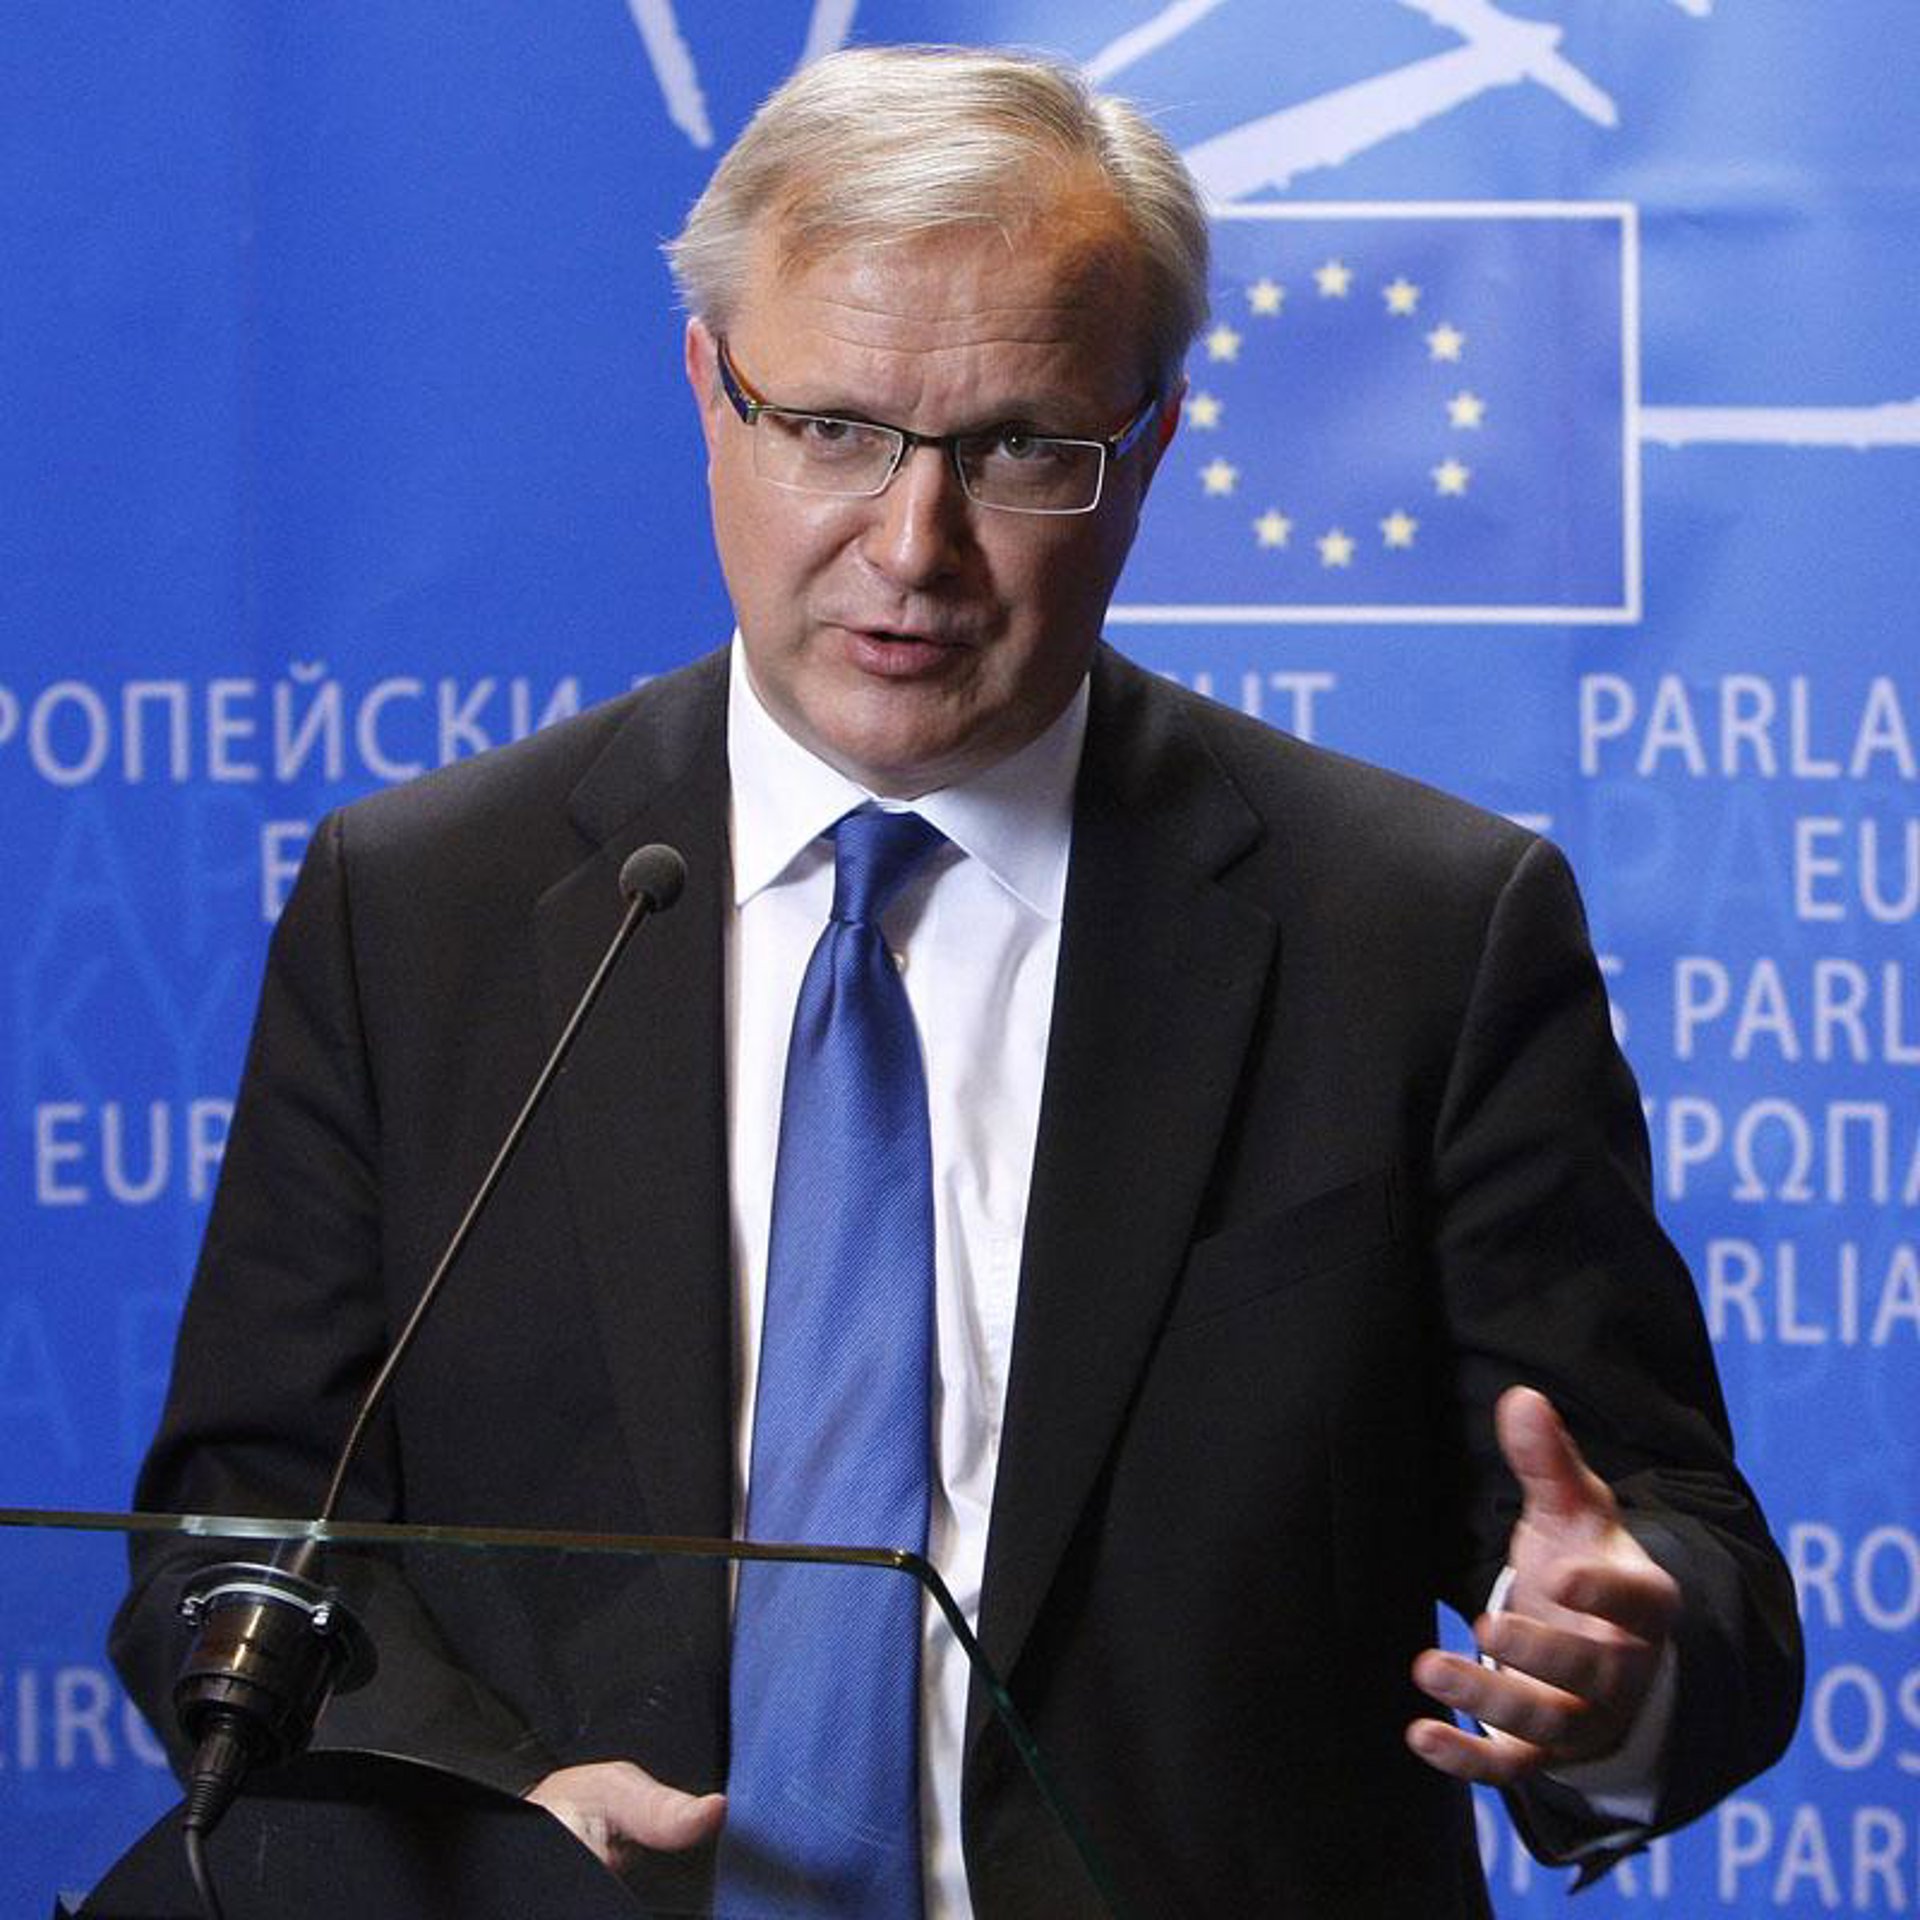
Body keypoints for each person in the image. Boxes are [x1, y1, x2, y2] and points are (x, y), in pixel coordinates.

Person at [114, 44, 1801, 1918]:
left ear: (1149, 449)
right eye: (834, 428)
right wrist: (492, 1819)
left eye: (1017, 449)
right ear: (709, 392)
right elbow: (242, 1530)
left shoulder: (1419, 931)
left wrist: (1621, 1670)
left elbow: (1674, 1559)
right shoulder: (423, 906)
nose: (912, 548)